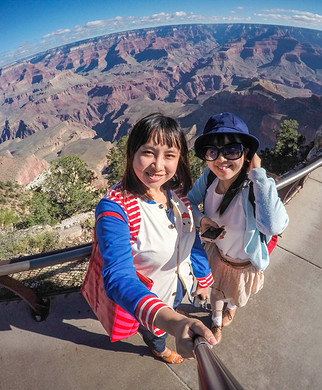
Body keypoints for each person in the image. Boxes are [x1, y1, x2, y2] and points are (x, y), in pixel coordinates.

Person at [94, 113, 216, 363]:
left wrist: (202, 279)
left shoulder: (174, 193)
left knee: (170, 311)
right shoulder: (115, 209)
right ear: (132, 153)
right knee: (155, 333)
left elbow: (190, 239)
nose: (158, 165)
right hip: (150, 301)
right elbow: (118, 277)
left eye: (169, 155)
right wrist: (171, 320)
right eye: (149, 152)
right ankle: (158, 348)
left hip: (179, 284)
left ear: (179, 159)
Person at [188, 112, 289, 342]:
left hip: (244, 265)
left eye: (231, 150)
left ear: (246, 154)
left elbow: (274, 225)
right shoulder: (209, 177)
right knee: (215, 294)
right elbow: (189, 202)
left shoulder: (256, 187)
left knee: (234, 296)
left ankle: (230, 309)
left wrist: (259, 175)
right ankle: (215, 323)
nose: (221, 160)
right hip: (218, 255)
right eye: (212, 151)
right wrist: (201, 219)